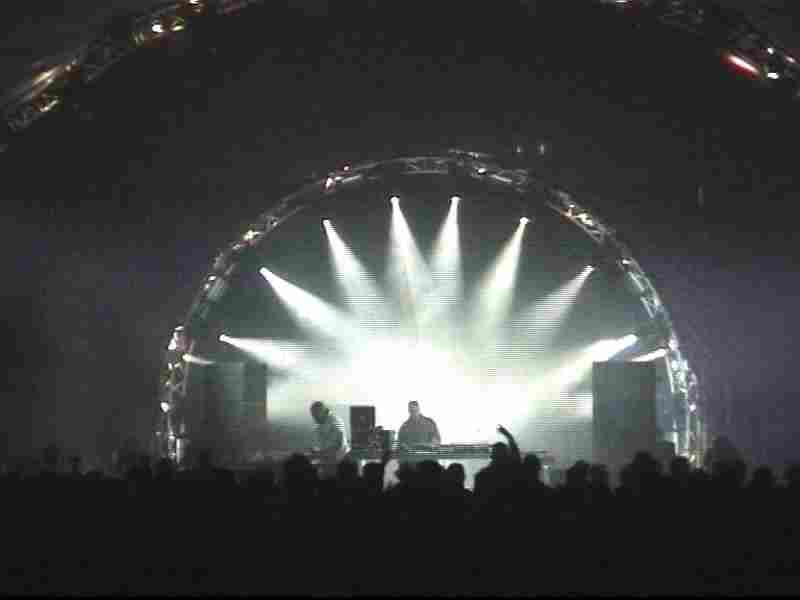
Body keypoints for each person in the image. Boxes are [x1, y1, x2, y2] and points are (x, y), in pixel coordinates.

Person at [309, 401, 350, 479]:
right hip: (329, 462)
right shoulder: (321, 424)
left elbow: (338, 445)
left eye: (316, 415)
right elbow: (327, 444)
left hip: (339, 463)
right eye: (313, 415)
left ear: (323, 411)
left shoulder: (335, 421)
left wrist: (319, 453)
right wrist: (318, 451)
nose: (314, 418)